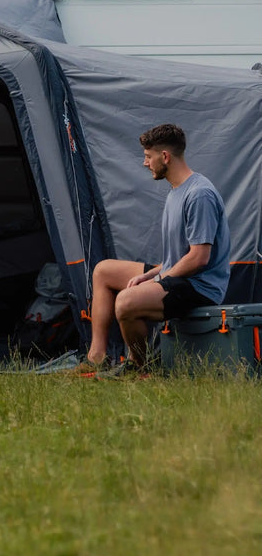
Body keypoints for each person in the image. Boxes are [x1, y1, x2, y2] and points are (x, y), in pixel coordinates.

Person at [79, 123, 230, 374]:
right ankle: (97, 357)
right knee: (104, 271)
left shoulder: (200, 194)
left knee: (126, 302)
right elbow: (180, 256)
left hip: (200, 287)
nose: (145, 163)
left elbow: (198, 259)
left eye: (148, 157)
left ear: (165, 157)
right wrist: (150, 275)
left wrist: (158, 279)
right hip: (178, 275)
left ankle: (144, 369)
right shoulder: (176, 192)